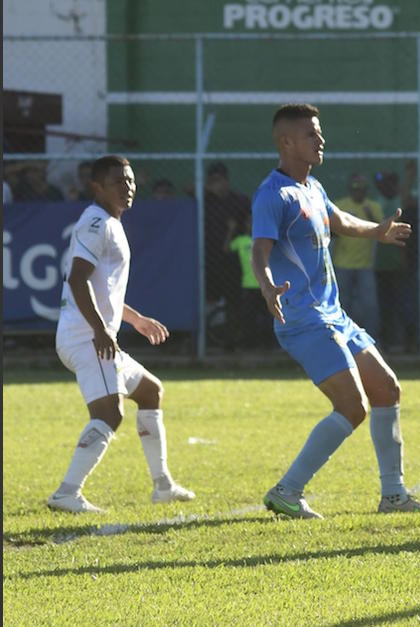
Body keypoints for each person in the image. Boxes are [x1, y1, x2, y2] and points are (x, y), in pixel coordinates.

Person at [251, 103, 420, 518]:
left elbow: (338, 220)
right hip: (302, 317)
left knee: (386, 389)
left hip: (333, 315)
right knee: (353, 407)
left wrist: (377, 231)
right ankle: (287, 491)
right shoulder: (273, 195)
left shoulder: (312, 187)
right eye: (311, 135)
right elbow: (259, 250)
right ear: (286, 142)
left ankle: (393, 496)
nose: (321, 140)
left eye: (320, 133)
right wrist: (267, 286)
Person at [48, 155, 195, 513]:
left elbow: (103, 290)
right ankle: (67, 492)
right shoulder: (97, 223)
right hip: (85, 338)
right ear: (97, 186)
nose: (127, 187)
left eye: (130, 180)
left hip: (91, 334)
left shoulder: (110, 223)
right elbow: (77, 279)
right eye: (118, 181)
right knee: (110, 414)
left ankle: (162, 486)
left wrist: (136, 319)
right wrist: (100, 330)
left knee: (149, 391)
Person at [203, 161, 251, 349]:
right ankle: (205, 339)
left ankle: (233, 339)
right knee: (209, 298)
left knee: (235, 301)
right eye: (213, 180)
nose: (217, 184)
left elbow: (250, 220)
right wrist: (206, 190)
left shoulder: (239, 200)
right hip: (208, 258)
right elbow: (188, 189)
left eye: (220, 180)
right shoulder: (206, 200)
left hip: (234, 261)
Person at [332, 173, 381, 335]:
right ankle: (340, 340)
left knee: (369, 306)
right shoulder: (340, 206)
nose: (359, 191)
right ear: (349, 188)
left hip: (365, 265)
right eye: (355, 187)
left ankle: (373, 342)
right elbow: (330, 232)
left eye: (362, 188)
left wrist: (370, 217)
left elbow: (381, 232)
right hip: (341, 264)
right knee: (341, 304)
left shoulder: (373, 207)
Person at [224, 212, 271, 348]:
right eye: (250, 223)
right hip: (248, 285)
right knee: (248, 317)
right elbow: (226, 249)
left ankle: (268, 344)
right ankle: (249, 344)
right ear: (246, 225)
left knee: (268, 317)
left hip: (266, 284)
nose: (252, 226)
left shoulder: (266, 240)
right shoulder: (241, 240)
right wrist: (231, 230)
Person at [373, 170, 408, 352]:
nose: (388, 186)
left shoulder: (399, 204)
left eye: (391, 183)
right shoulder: (376, 202)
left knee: (398, 303)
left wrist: (402, 259)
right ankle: (384, 341)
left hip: (395, 262)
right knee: (381, 305)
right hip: (378, 264)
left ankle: (398, 341)